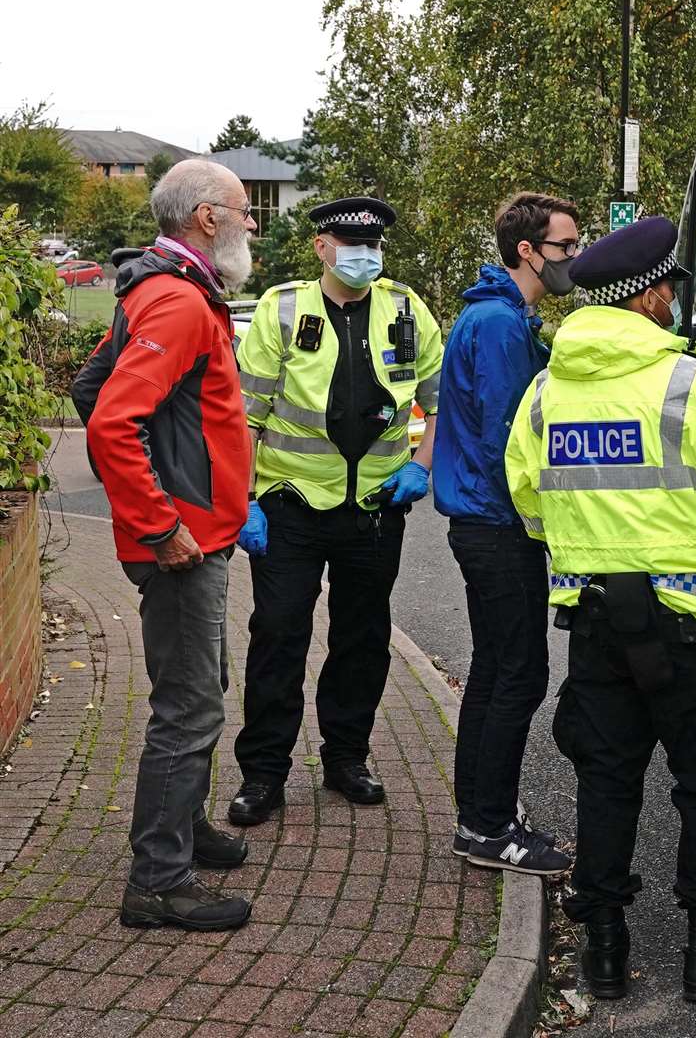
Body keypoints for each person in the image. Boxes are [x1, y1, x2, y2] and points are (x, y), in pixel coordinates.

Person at [505, 216, 696, 1005]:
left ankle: (603, 954)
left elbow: (529, 503)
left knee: (607, 780)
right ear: (656, 294)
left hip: (596, 627)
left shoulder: (546, 391)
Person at [74, 159, 256, 930]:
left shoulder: (160, 292)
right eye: (244, 211)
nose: (252, 224)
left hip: (197, 537)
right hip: (182, 545)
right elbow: (113, 421)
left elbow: (90, 389)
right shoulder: (177, 302)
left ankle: (185, 828)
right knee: (188, 709)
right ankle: (158, 879)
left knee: (202, 687)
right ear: (206, 219)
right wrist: (163, 521)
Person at [228, 197, 443, 824]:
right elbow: (246, 416)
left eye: (374, 247)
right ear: (321, 247)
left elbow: (443, 401)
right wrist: (244, 501)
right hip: (290, 505)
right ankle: (264, 773)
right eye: (352, 245)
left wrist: (420, 466)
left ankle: (346, 756)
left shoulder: (405, 309)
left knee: (363, 636)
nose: (365, 257)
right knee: (278, 635)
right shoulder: (282, 309)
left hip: (375, 507)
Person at [433, 192, 578, 876]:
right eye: (565, 248)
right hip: (497, 524)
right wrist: (544, 521)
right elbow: (509, 439)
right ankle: (490, 828)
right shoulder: (496, 323)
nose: (573, 259)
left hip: (485, 522)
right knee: (518, 674)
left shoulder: (503, 316)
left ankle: (481, 821)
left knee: (496, 672)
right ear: (528, 251)